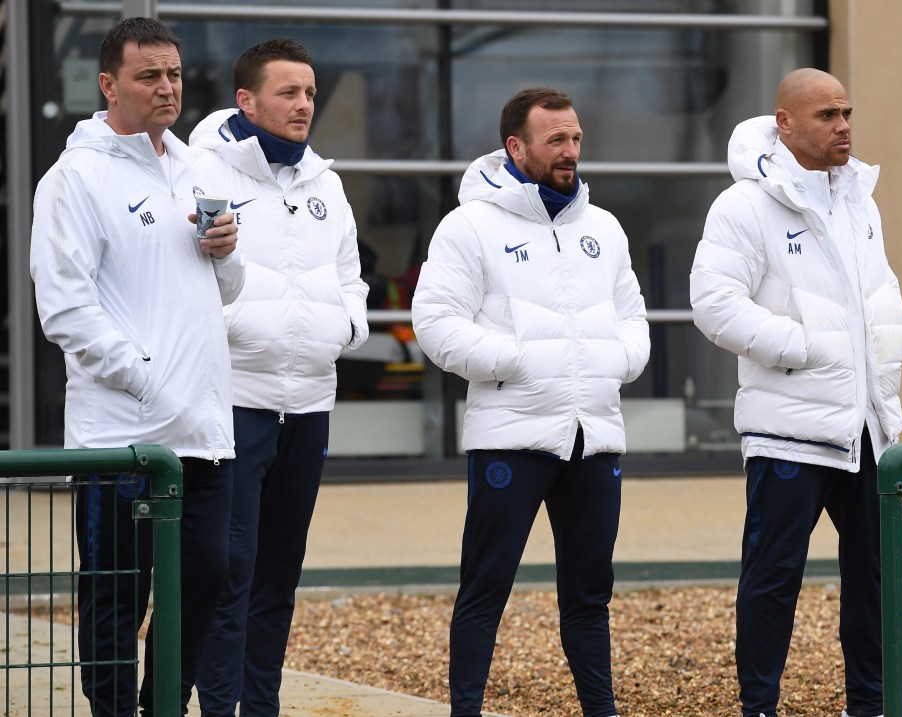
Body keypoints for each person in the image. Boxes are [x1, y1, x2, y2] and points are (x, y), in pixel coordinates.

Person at [29, 16, 244, 717]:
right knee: (117, 592)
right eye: (148, 75)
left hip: (205, 436)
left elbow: (230, 291)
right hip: (122, 439)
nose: (166, 87)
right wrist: (150, 379)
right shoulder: (74, 178)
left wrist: (227, 252)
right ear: (108, 84)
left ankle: (163, 709)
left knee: (205, 581)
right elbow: (65, 311)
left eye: (174, 73)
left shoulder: (195, 168)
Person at [412, 87, 650, 717]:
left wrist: (615, 362)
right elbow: (435, 324)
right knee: (486, 588)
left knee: (590, 593)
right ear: (516, 147)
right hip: (510, 439)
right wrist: (519, 362)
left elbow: (635, 323)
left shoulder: (604, 228)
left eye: (575, 138)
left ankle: (602, 710)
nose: (570, 151)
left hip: (593, 438)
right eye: (556, 140)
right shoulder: (469, 226)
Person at [690, 68, 902, 717]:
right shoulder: (743, 205)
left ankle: (869, 706)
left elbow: (881, 294)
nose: (843, 126)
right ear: (784, 122)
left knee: (874, 578)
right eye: (827, 116)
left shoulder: (859, 201)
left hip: (865, 429)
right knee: (773, 577)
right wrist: (804, 348)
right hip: (789, 429)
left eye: (847, 112)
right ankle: (758, 706)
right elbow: (713, 304)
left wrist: (888, 362)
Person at [189, 38, 369, 717]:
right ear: (247, 100)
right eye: (289, 93)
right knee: (228, 573)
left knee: (278, 578)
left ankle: (259, 706)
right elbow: (193, 275)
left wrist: (345, 328)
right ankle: (218, 707)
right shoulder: (204, 172)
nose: (304, 105)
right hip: (236, 401)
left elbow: (351, 278)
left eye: (311, 94)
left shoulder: (327, 181)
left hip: (310, 403)